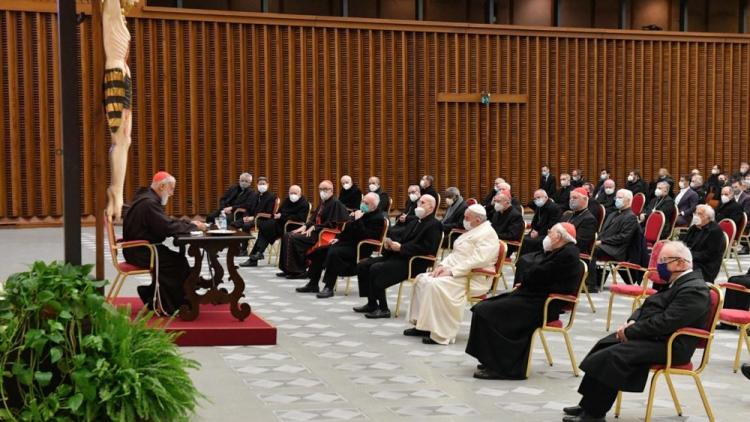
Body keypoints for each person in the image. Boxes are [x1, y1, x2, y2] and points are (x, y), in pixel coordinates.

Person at [563, 241, 709, 422]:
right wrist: (632, 321)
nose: (659, 265)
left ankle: (595, 414)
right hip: (658, 337)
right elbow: (648, 305)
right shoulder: (677, 282)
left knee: (615, 356)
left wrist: (632, 332)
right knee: (606, 345)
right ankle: (587, 403)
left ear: (680, 263)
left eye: (664, 260)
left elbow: (666, 322)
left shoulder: (694, 289)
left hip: (672, 345)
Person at [466, 223, 583, 380]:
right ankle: (492, 360)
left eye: (551, 232)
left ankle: (504, 368)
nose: (548, 234)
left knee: (488, 311)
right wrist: (526, 282)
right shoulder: (560, 251)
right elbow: (542, 275)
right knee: (484, 307)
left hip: (544, 304)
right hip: (534, 296)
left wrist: (526, 280)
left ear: (559, 237)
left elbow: (540, 274)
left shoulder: (567, 255)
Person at [405, 204, 499, 345]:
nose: (464, 220)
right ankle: (422, 326)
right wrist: (442, 266)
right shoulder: (474, 229)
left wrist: (452, 271)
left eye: (467, 218)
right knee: (422, 279)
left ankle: (441, 334)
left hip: (473, 277)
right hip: (458, 272)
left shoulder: (488, 234)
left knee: (435, 285)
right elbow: (456, 254)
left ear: (478, 220)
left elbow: (478, 260)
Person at [122, 171, 207, 315]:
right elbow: (167, 227)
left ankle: (173, 298)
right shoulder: (149, 203)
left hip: (140, 249)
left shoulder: (147, 199)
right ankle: (173, 303)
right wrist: (193, 226)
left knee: (178, 260)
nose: (172, 193)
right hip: (141, 251)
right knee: (177, 263)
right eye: (171, 189)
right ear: (162, 186)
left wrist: (188, 223)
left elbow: (165, 222)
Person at [354, 195, 443, 318]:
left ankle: (384, 309)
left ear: (431, 207)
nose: (418, 205)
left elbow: (427, 248)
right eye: (418, 203)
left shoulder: (434, 225)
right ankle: (372, 303)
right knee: (363, 265)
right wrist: (389, 244)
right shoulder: (414, 221)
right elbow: (402, 238)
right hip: (399, 256)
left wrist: (401, 248)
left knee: (376, 268)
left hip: (414, 262)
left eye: (422, 203)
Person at [295, 193, 386, 298]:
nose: (363, 204)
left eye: (366, 203)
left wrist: (358, 220)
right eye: (362, 201)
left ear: (374, 206)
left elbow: (364, 236)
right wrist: (339, 238)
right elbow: (347, 230)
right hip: (348, 244)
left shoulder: (377, 218)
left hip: (361, 248)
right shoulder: (360, 213)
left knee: (334, 253)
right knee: (319, 251)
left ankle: (329, 287)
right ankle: (313, 283)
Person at [277, 180, 348, 279]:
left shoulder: (336, 203)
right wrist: (305, 226)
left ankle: (298, 271)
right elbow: (313, 219)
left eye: (325, 189)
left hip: (322, 233)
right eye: (321, 189)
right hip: (313, 231)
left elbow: (333, 223)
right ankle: (287, 269)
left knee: (293, 238)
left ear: (331, 190)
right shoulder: (323, 203)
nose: (322, 191)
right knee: (287, 235)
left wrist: (315, 227)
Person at [239, 185, 310, 267]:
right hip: (280, 224)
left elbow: (300, 218)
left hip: (292, 226)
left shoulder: (304, 203)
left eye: (295, 193)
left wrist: (282, 216)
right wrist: (278, 215)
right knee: (264, 227)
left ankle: (255, 257)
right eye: (291, 193)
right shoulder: (287, 200)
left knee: (266, 228)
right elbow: (279, 211)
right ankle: (257, 255)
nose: (293, 195)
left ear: (300, 194)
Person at [589, 189, 639, 292]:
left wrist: (602, 242)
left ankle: (591, 285)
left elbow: (624, 237)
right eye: (616, 197)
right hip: (606, 245)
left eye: (620, 198)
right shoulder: (613, 214)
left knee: (592, 249)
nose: (616, 200)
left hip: (616, 249)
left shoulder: (631, 217)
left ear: (629, 200)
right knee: (586, 245)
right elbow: (603, 231)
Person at [234, 176, 277, 256]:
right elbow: (248, 207)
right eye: (260, 184)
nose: (262, 186)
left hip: (262, 220)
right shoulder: (254, 195)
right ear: (257, 185)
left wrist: (253, 217)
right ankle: (237, 247)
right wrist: (246, 216)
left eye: (263, 184)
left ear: (268, 184)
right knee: (233, 225)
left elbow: (269, 212)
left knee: (245, 226)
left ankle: (244, 249)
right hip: (251, 218)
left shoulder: (271, 196)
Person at [683, 205, 724, 284]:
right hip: (691, 259)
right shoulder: (694, 227)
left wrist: (688, 255)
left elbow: (709, 255)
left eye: (700, 214)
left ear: (708, 217)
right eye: (695, 213)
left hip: (705, 266)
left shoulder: (715, 231)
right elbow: (684, 243)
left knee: (674, 267)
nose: (696, 216)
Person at [522, 189, 562, 254]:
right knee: (523, 239)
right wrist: (533, 230)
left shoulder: (554, 208)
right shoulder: (539, 206)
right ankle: (522, 260)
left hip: (547, 234)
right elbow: (535, 222)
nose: (536, 200)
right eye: (535, 199)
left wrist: (538, 233)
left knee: (528, 241)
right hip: (537, 232)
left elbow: (552, 226)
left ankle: (531, 259)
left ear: (546, 197)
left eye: (538, 197)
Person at [560, 187, 598, 255]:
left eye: (575, 198)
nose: (571, 200)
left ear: (585, 200)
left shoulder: (589, 220)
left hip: (572, 254)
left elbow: (580, 244)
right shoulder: (567, 215)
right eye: (570, 198)